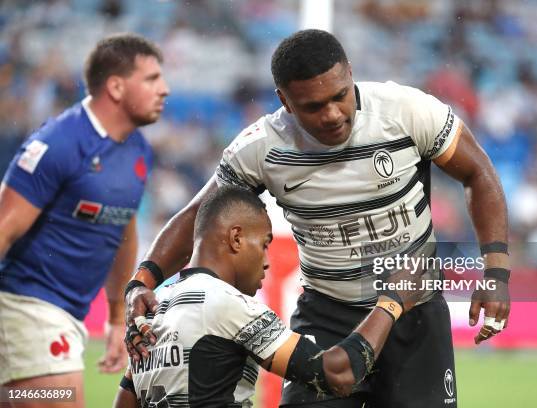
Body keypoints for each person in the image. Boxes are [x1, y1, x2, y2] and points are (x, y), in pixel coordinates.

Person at [125, 29, 510, 408]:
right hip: (327, 315)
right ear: (285, 101)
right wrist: (141, 282)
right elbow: (200, 215)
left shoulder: (407, 111)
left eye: (339, 96)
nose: (331, 114)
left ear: (350, 74)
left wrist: (496, 272)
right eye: (312, 106)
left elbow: (479, 173)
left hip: (415, 313)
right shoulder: (261, 148)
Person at [114, 185, 421, 408]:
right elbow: (338, 373)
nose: (266, 260)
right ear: (236, 238)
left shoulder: (154, 311)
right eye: (263, 244)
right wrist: (391, 303)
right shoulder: (228, 306)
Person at [0, 33, 169, 407]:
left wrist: (115, 317)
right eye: (152, 79)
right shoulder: (58, 143)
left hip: (70, 314)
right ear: (116, 86)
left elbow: (123, 234)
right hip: (28, 305)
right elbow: (3, 227)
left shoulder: (137, 149)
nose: (165, 89)